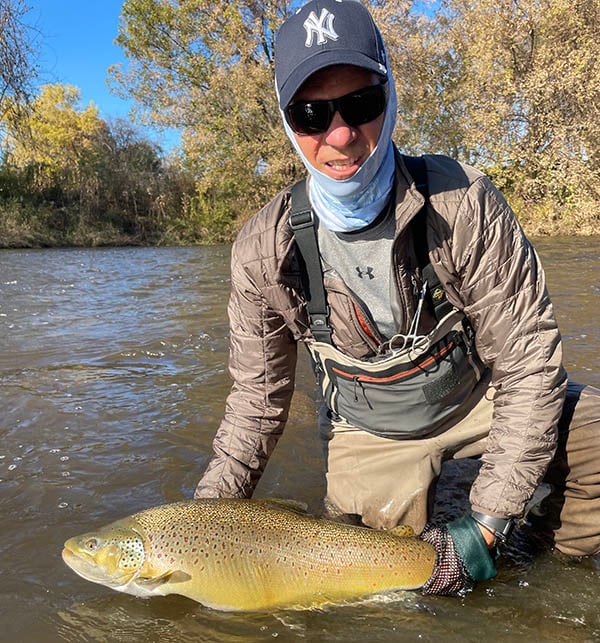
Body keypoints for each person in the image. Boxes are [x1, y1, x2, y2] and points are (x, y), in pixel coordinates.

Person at [194, 0, 600, 595]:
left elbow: (529, 366)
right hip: (371, 433)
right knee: (374, 594)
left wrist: (488, 525)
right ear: (287, 122)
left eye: (361, 104)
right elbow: (257, 404)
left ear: (390, 94)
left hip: (479, 398)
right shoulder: (263, 249)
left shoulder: (464, 203)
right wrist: (201, 525)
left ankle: (535, 561)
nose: (340, 135)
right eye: (311, 114)